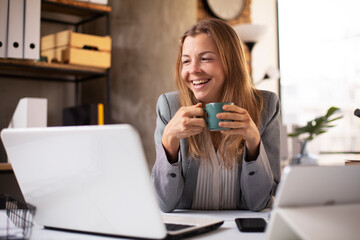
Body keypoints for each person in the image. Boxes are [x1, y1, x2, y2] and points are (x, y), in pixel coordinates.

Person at [151, 18, 281, 213]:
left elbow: (259, 203)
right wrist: (169, 141)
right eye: (186, 61)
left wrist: (253, 142)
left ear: (231, 62)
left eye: (205, 58)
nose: (193, 69)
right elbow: (164, 204)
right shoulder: (169, 107)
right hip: (190, 227)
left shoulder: (267, 106)